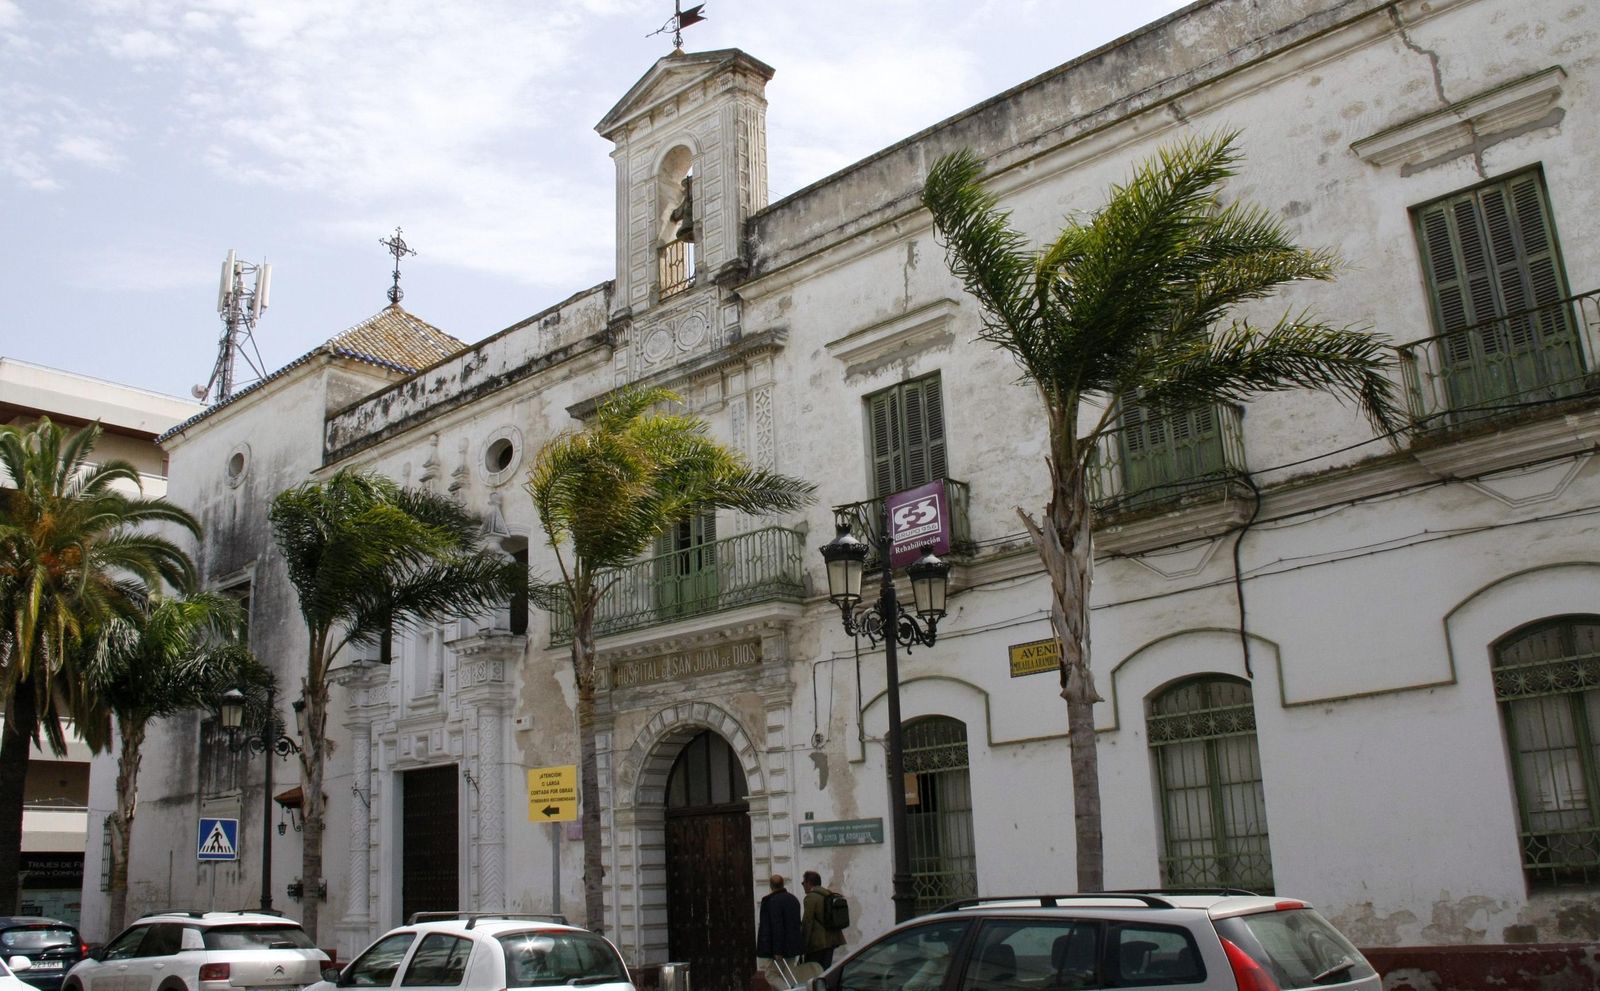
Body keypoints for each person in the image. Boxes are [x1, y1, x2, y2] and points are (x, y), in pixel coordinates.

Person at [756, 873, 803, 985]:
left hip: (778, 949)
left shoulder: (771, 901)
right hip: (793, 946)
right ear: (783, 884)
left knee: (771, 975)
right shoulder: (793, 899)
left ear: (771, 886)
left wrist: (777, 950)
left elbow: (777, 927)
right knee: (789, 976)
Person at [800, 870, 847, 969]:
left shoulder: (811, 898)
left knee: (813, 970)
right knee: (825, 971)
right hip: (832, 941)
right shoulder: (829, 894)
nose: (803, 885)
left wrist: (803, 944)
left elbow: (807, 922)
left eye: (803, 883)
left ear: (809, 883)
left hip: (817, 943)